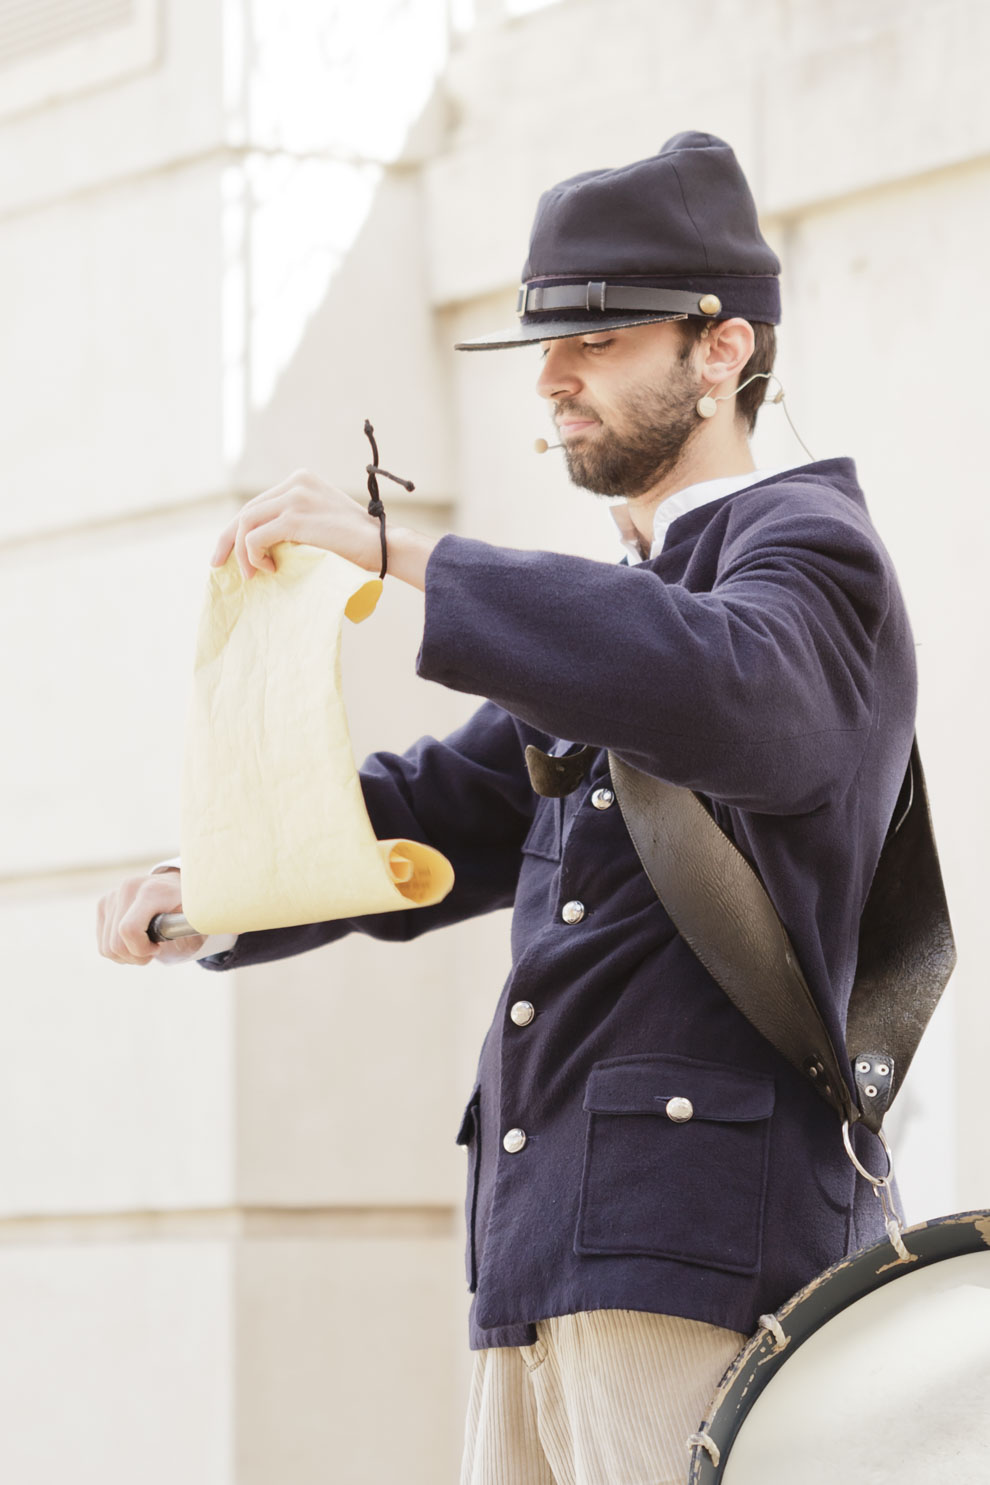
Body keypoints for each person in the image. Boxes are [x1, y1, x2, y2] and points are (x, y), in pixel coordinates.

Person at [96, 132, 916, 1485]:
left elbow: (722, 691)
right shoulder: (627, 606)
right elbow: (451, 804)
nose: (551, 377)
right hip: (544, 1244)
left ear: (722, 349)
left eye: (595, 337)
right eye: (543, 344)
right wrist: (218, 879)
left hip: (692, 1246)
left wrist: (404, 551)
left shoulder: (808, 555)